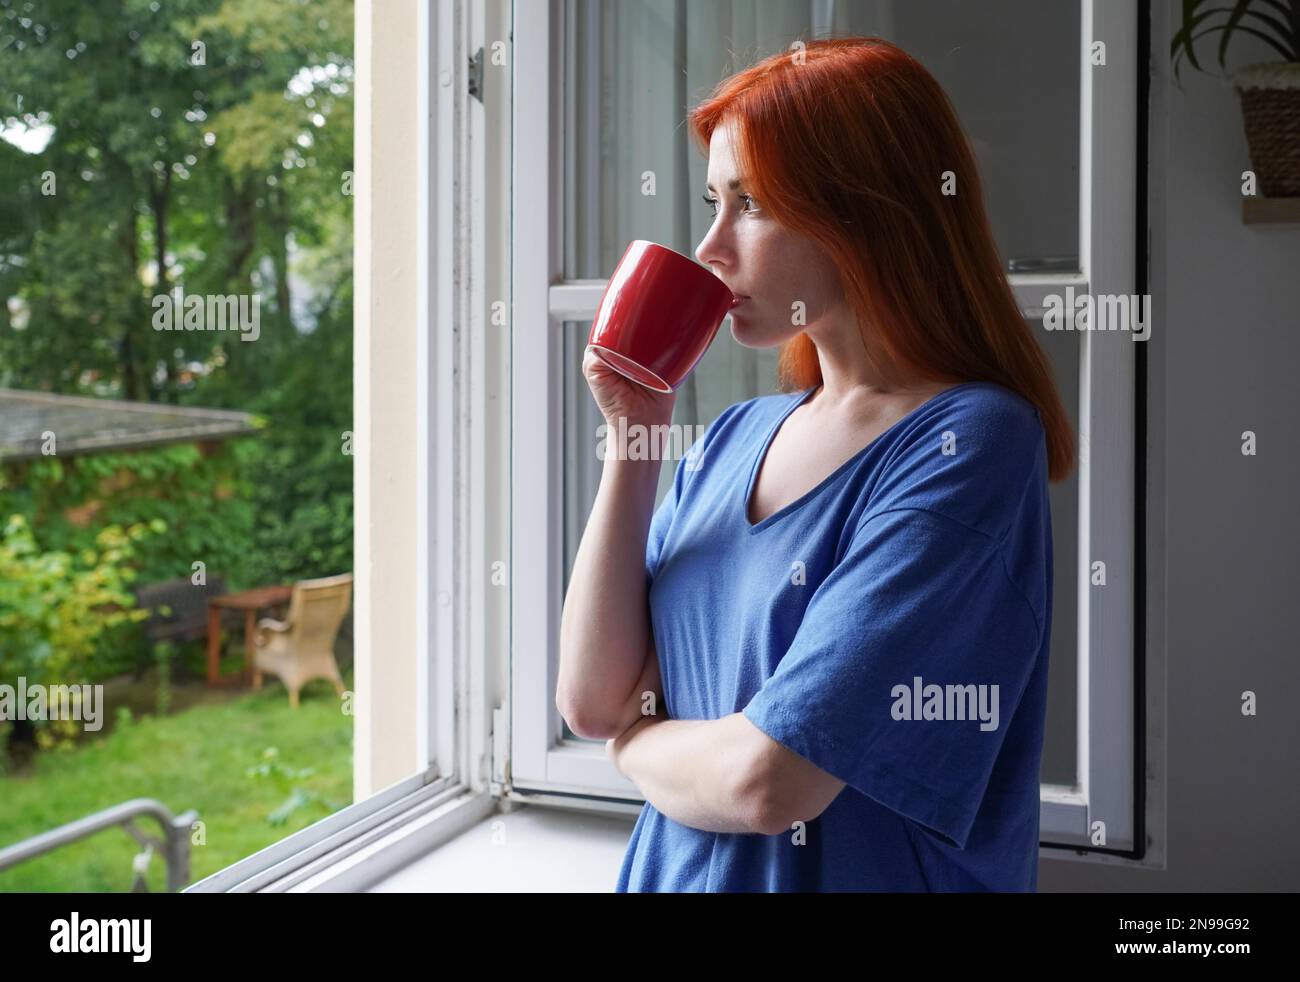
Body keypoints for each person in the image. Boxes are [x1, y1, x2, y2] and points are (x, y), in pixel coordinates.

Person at [557, 36, 1075, 892]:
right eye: (712, 202)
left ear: (868, 213)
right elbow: (592, 700)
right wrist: (633, 436)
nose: (711, 249)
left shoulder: (970, 442)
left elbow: (771, 782)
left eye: (751, 204)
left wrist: (640, 746)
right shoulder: (728, 438)